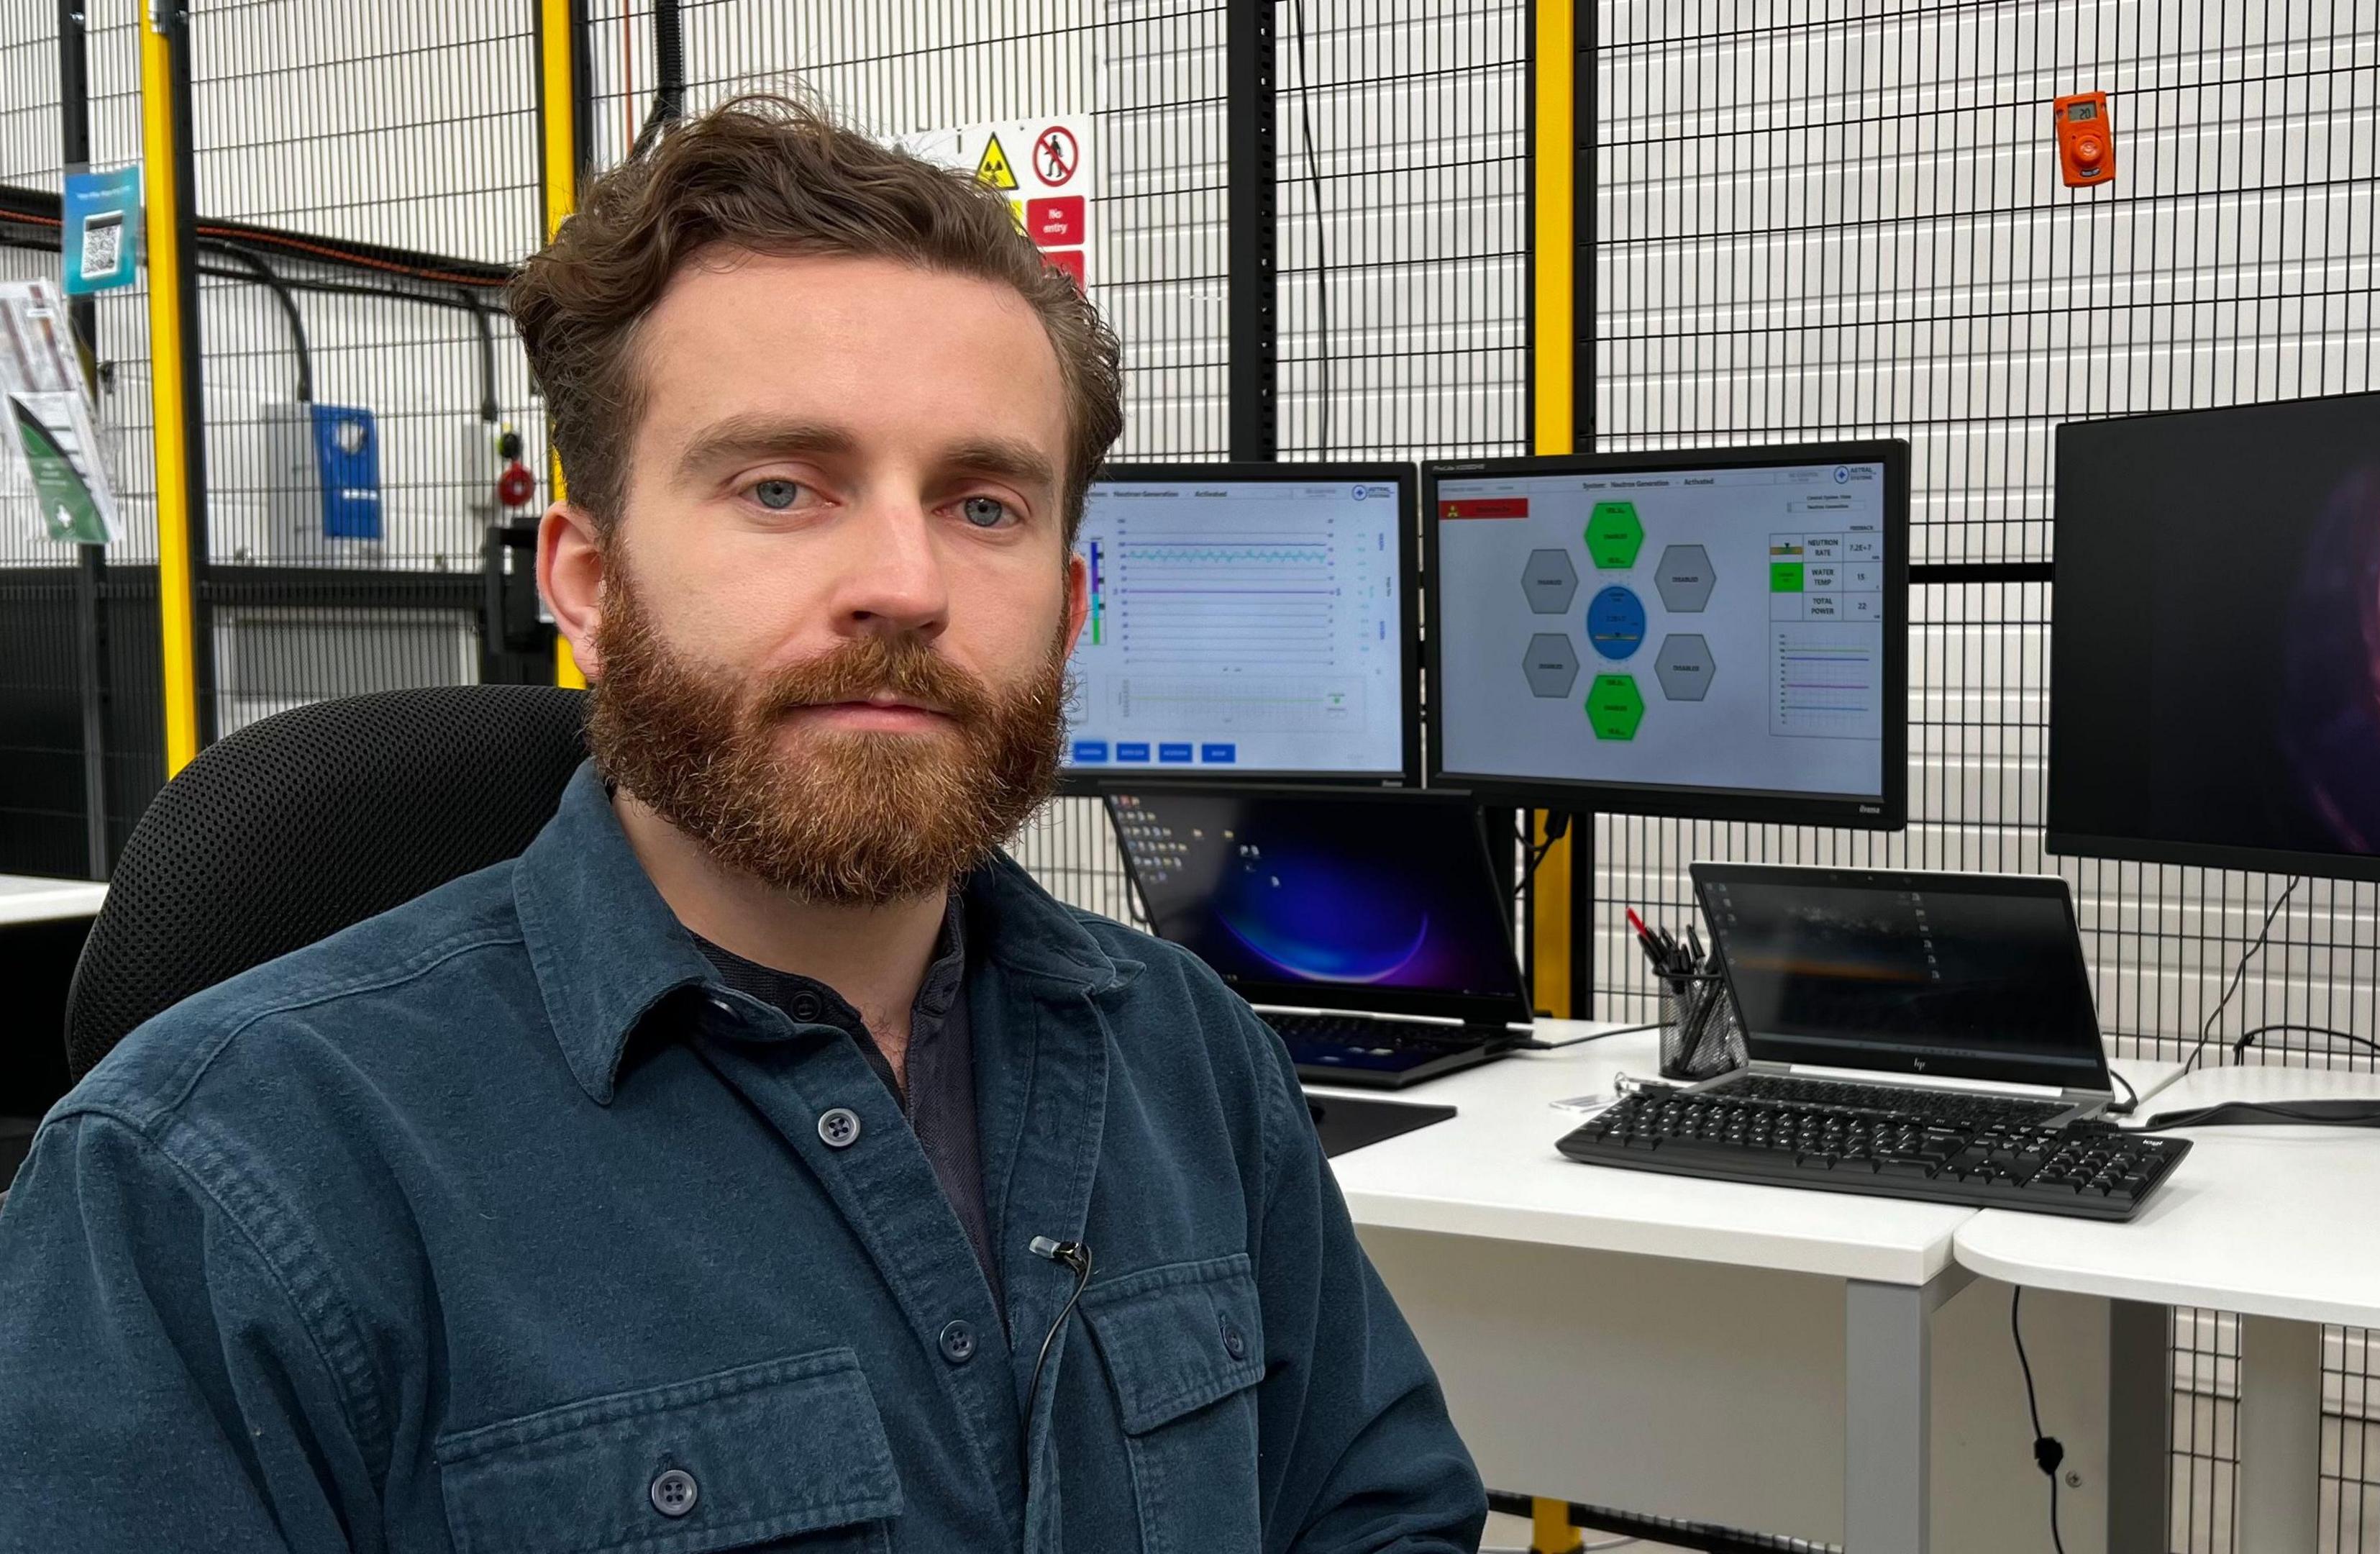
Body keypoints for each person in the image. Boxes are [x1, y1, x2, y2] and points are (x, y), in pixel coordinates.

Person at [0, 94, 1485, 1554]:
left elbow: (1379, 1512)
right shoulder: (208, 1182)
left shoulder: (1190, 1056)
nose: (905, 583)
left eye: (984, 506)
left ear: (1071, 602)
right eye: (784, 487)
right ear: (585, 582)